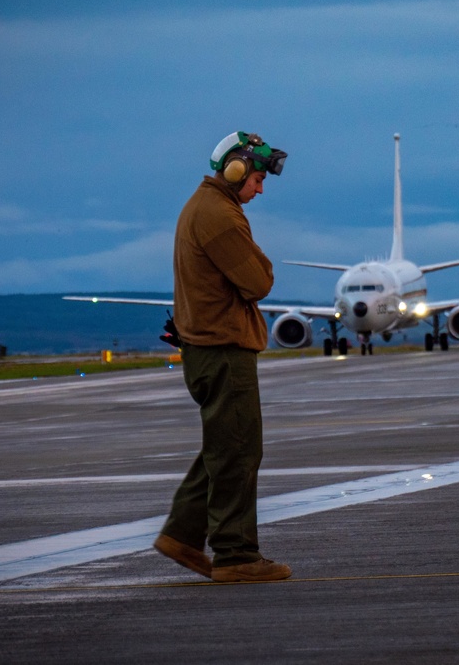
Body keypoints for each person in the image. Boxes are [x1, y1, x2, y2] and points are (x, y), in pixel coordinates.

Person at [153, 131, 292, 583]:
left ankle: (182, 535)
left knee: (222, 448)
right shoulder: (219, 216)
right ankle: (236, 556)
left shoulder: (206, 206)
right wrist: (261, 263)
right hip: (223, 350)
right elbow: (259, 282)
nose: (260, 188)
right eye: (257, 178)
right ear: (235, 170)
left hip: (206, 349)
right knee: (237, 451)